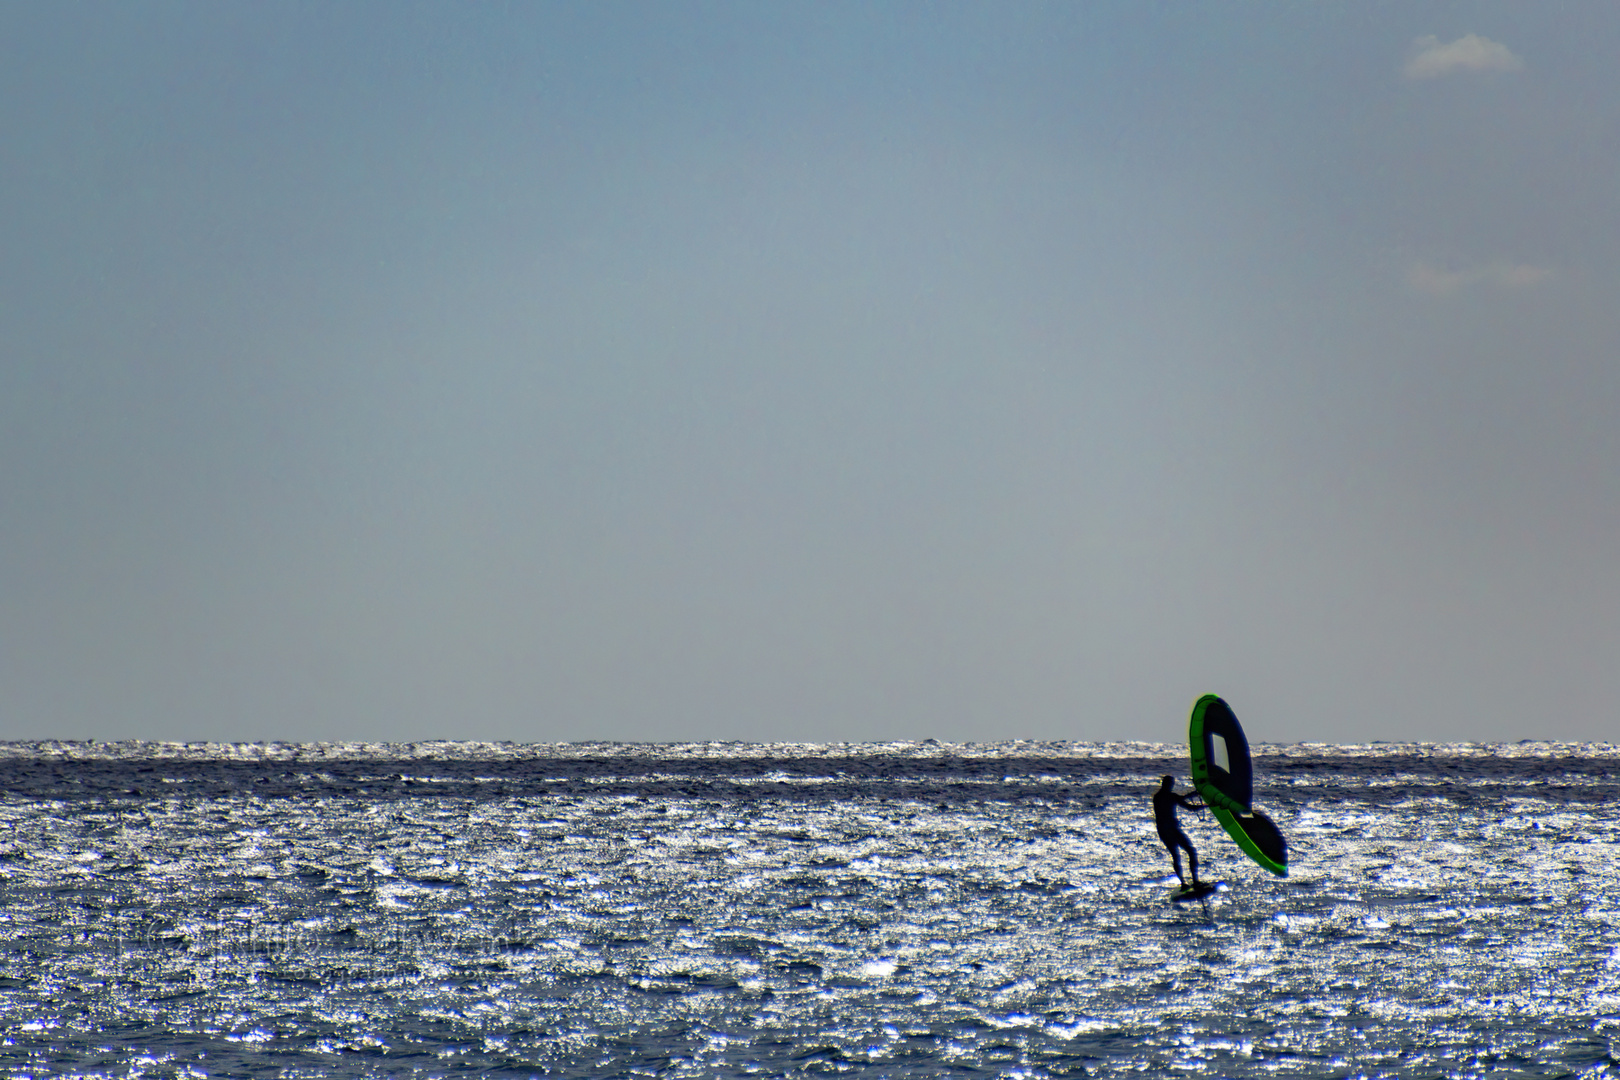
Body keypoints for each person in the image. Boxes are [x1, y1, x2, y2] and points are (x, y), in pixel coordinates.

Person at [1154, 775, 1205, 888]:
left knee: (1176, 856)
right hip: (1172, 830)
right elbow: (1190, 808)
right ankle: (1195, 881)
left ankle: (1183, 883)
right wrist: (1207, 806)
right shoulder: (1170, 796)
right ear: (1167, 784)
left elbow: (1177, 799)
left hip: (1162, 831)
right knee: (1191, 852)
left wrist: (1191, 795)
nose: (1171, 786)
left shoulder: (1157, 797)